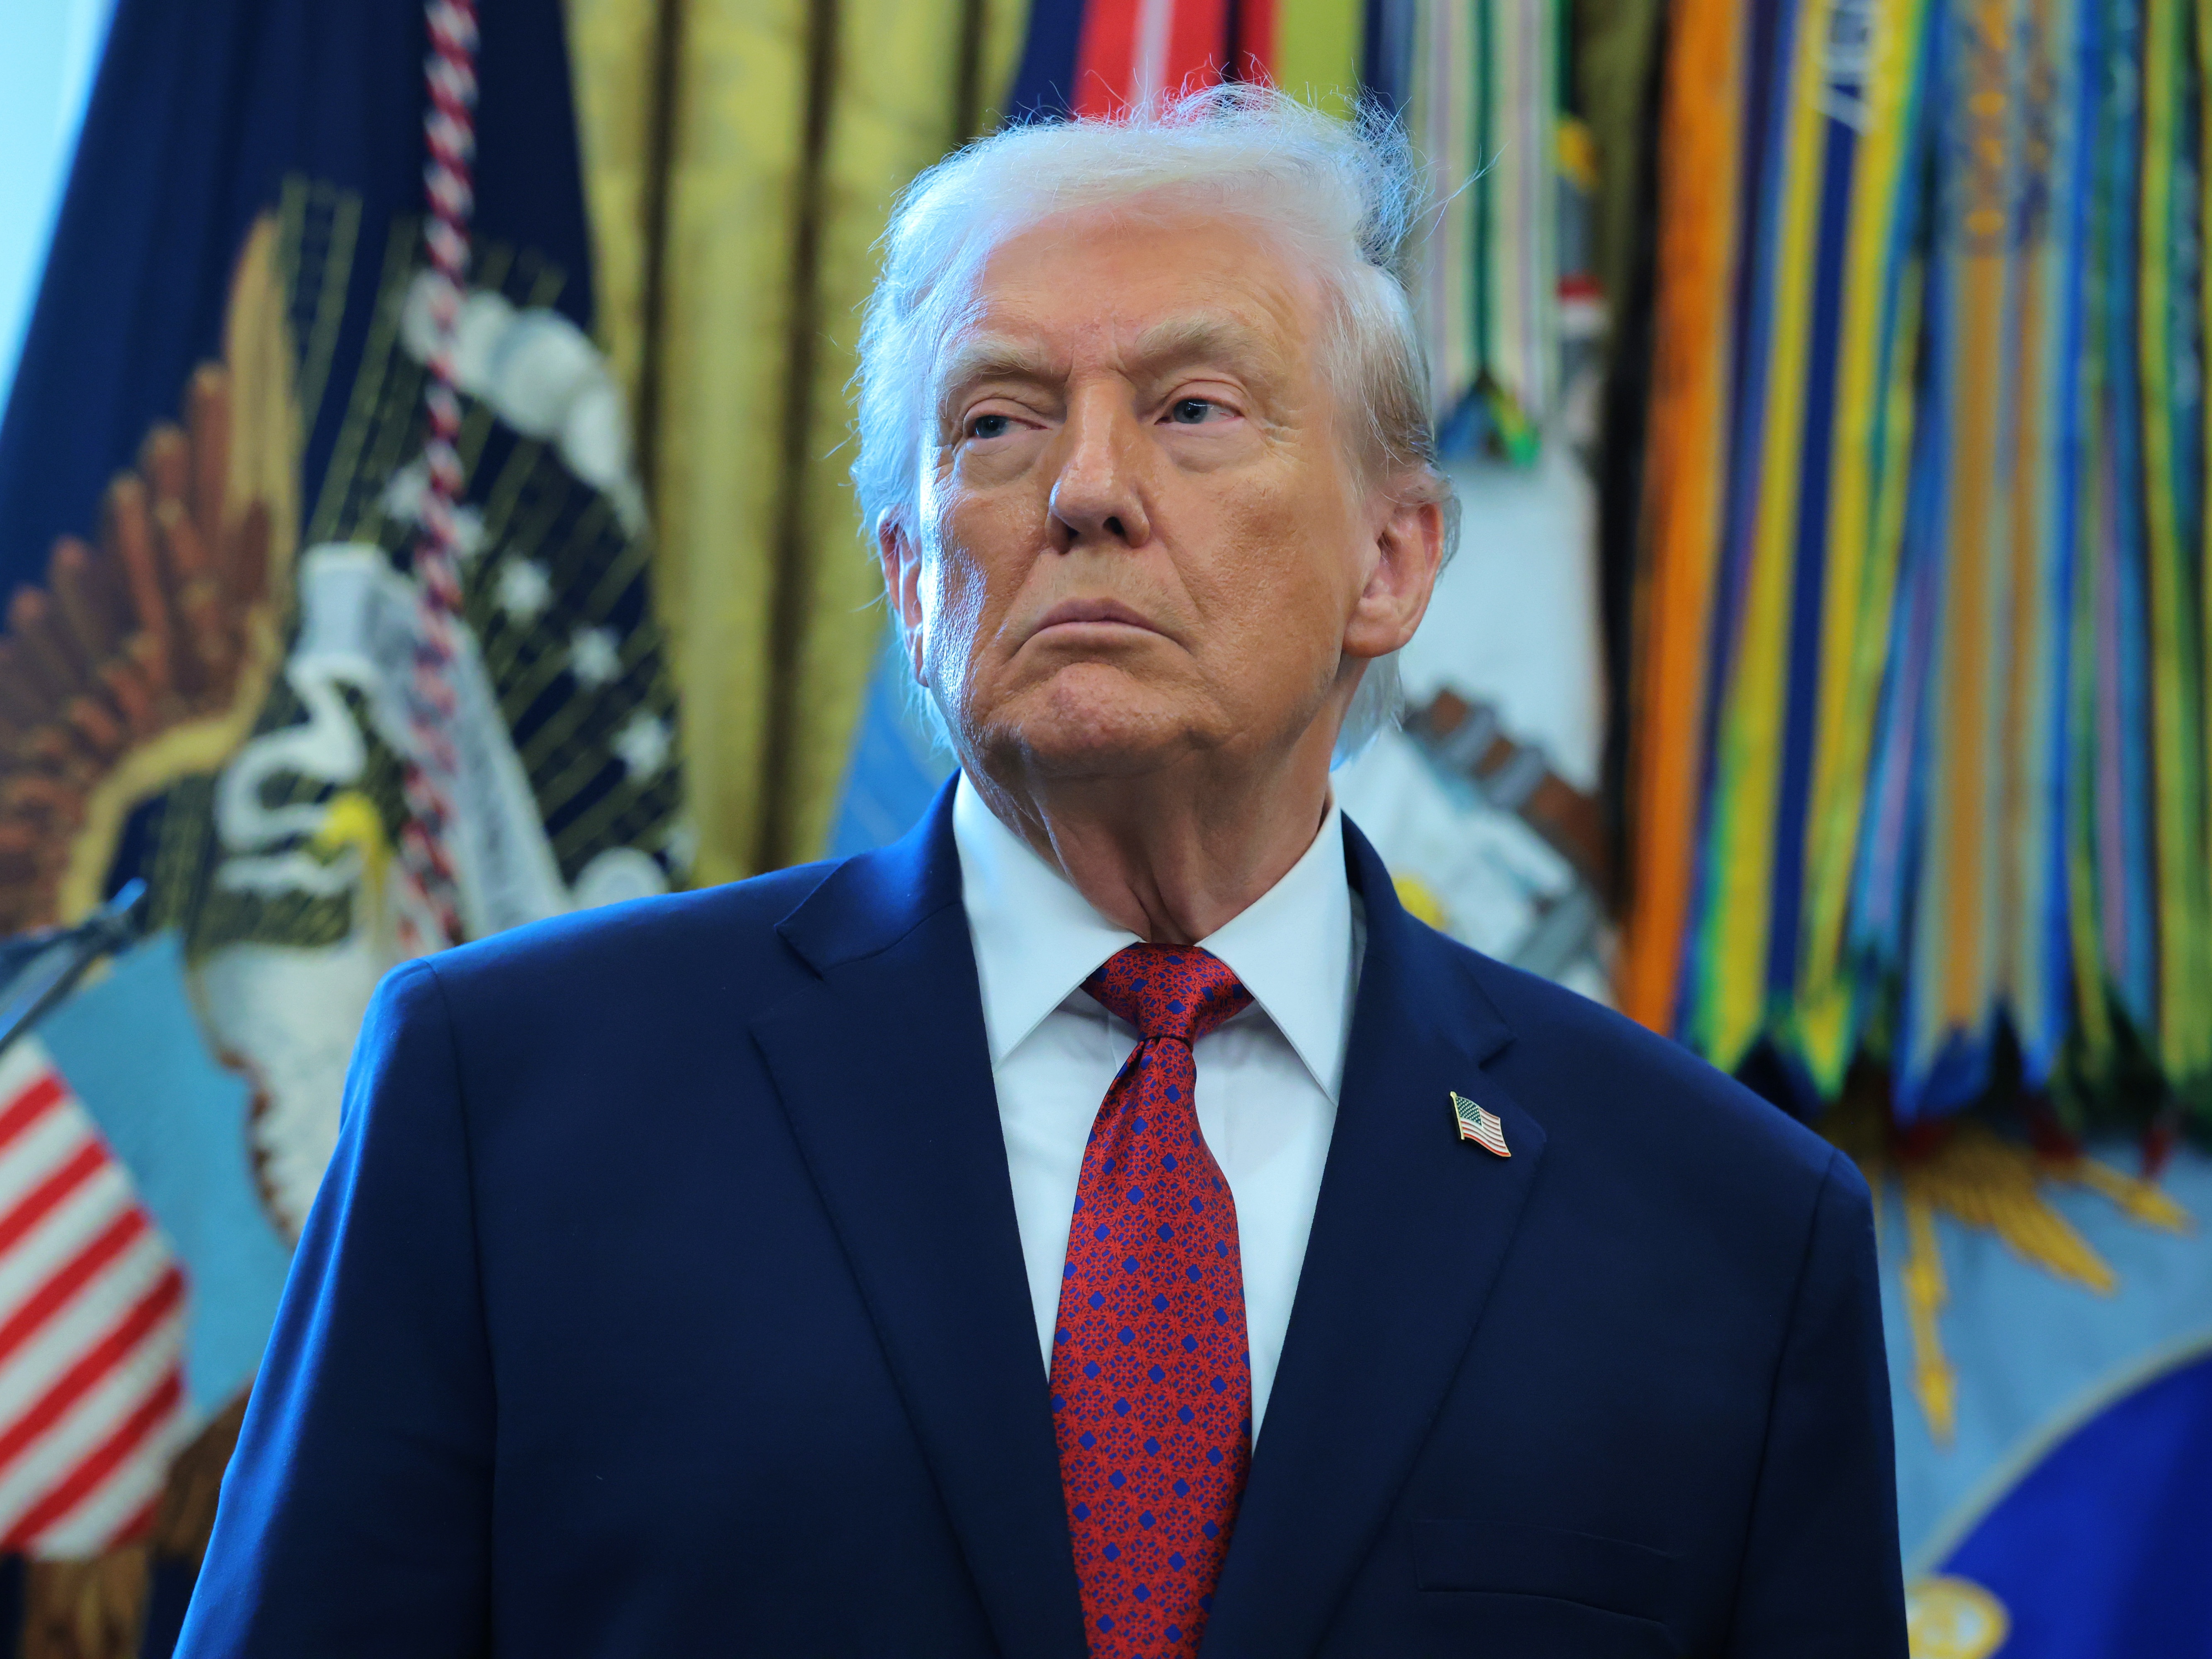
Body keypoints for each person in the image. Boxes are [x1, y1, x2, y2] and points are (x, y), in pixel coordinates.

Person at [177, 88, 1905, 1658]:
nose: (1085, 488)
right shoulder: (507, 1104)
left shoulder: (1729, 1235)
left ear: (1391, 559)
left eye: (1193, 408)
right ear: (907, 570)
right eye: (997, 422)